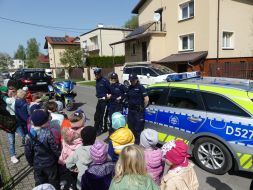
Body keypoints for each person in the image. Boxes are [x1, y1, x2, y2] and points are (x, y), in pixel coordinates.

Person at [25, 109, 61, 189]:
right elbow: (54, 148)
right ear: (44, 123)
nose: (48, 122)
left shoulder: (29, 136)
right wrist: (59, 157)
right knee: (53, 180)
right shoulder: (48, 133)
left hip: (37, 164)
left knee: (39, 182)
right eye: (47, 121)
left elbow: (28, 152)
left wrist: (31, 163)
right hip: (50, 163)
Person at [66, 126, 96, 190]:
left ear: (82, 138)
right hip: (95, 180)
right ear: (95, 138)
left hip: (82, 180)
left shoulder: (78, 150)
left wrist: (75, 169)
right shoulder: (99, 150)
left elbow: (68, 163)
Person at [2, 88, 25, 164]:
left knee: (22, 136)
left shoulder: (11, 100)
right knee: (12, 140)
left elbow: (6, 98)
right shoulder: (8, 99)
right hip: (9, 123)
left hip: (16, 121)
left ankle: (14, 156)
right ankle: (12, 156)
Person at [126, 73, 149, 144]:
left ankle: (138, 146)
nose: (131, 81)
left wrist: (142, 108)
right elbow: (127, 98)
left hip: (138, 112)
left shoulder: (141, 87)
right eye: (130, 80)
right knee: (130, 128)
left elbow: (146, 99)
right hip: (131, 111)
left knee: (138, 130)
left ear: (136, 79)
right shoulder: (129, 88)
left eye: (132, 80)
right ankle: (132, 143)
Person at [94, 68, 111, 136]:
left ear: (100, 73)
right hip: (99, 100)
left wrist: (108, 96)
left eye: (98, 74)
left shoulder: (105, 81)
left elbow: (110, 90)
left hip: (105, 101)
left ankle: (103, 129)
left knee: (103, 116)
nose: (96, 75)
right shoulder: (97, 81)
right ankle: (96, 128)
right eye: (95, 74)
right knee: (97, 115)